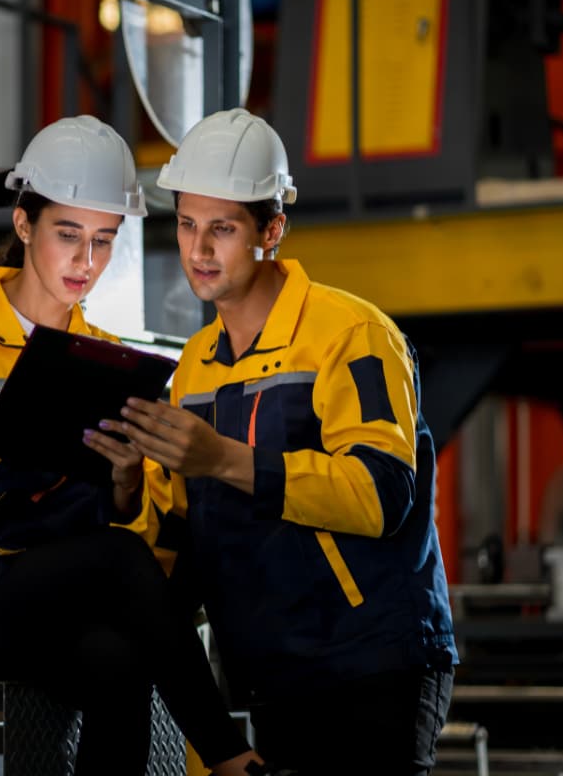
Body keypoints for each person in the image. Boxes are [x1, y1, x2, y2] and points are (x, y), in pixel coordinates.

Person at [0, 115, 263, 775]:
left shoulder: (98, 358)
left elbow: (87, 523)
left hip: (35, 598)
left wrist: (125, 479)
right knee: (121, 559)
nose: (86, 262)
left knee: (119, 662)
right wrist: (8, 414)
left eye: (104, 241)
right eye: (67, 235)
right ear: (25, 226)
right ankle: (227, 755)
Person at [100, 108, 457, 774]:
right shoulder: (195, 366)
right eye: (186, 224)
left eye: (223, 229)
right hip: (268, 671)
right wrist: (122, 491)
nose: (199, 250)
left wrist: (223, 459)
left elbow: (382, 495)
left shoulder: (351, 335)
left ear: (272, 230)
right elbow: (178, 535)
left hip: (371, 660)